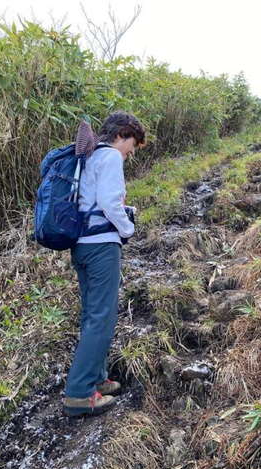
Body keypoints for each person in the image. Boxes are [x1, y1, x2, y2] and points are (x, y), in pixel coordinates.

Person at [63, 111, 146, 417]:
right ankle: (80, 394)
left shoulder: (89, 156)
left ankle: (97, 379)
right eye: (132, 144)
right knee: (102, 318)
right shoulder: (110, 156)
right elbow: (110, 203)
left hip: (82, 245)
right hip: (101, 247)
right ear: (121, 134)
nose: (131, 152)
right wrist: (128, 229)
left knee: (92, 315)